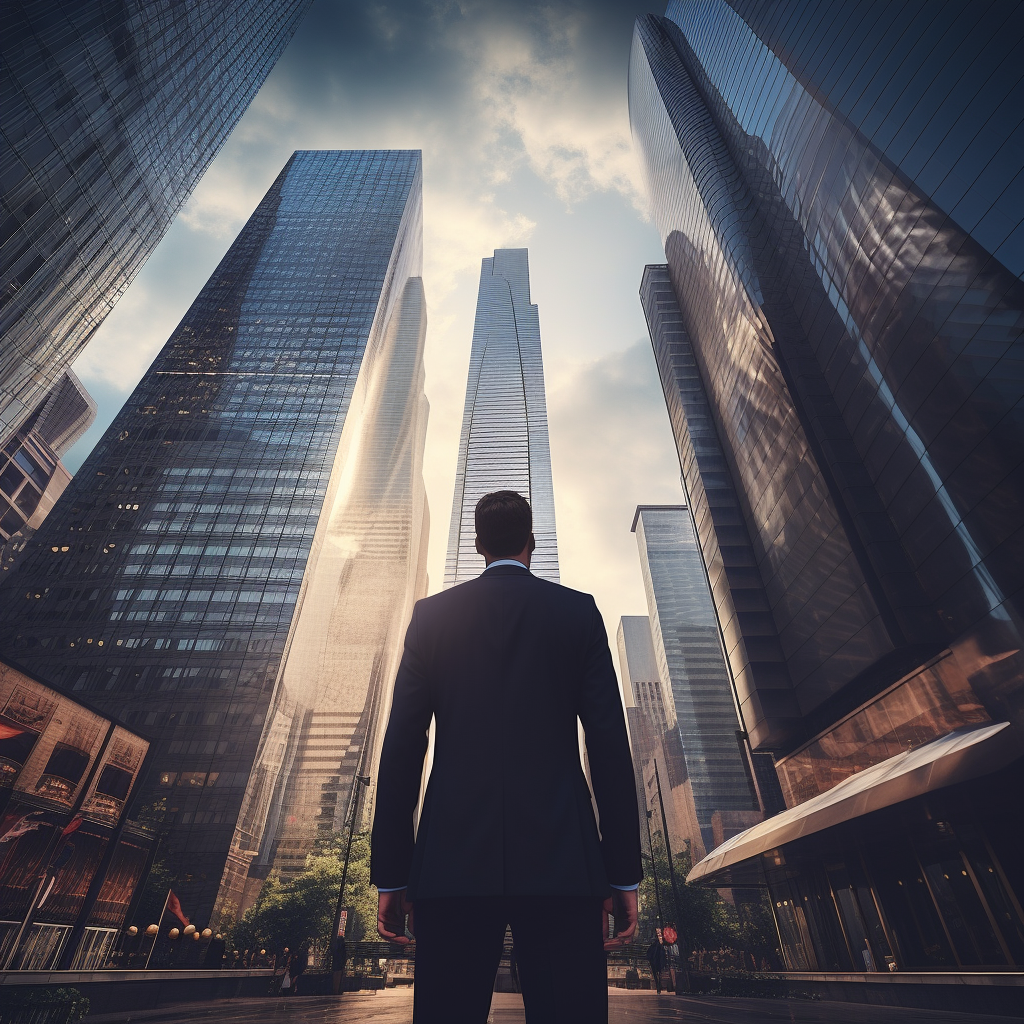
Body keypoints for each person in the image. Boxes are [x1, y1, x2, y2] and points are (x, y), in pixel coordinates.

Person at [371, 490, 642, 1024]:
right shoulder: (577, 612)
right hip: (564, 862)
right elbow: (608, 745)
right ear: (531, 543)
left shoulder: (431, 617)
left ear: (477, 545)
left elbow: (402, 745)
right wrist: (623, 873)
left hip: (451, 863)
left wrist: (392, 873)